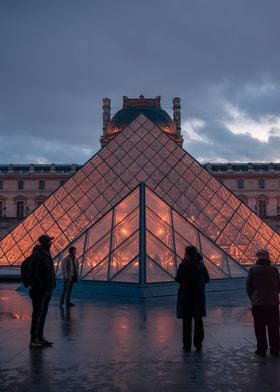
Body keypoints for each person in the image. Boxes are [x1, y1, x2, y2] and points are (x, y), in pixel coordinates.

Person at [175, 245, 210, 352]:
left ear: (187, 253)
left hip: (186, 296)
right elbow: (207, 279)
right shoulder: (201, 266)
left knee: (186, 323)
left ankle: (187, 345)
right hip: (198, 297)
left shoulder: (183, 265)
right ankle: (198, 343)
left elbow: (178, 279)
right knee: (198, 321)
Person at [246, 248, 280, 357]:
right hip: (272, 303)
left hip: (258, 304)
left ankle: (261, 349)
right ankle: (275, 349)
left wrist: (253, 298)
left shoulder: (252, 270)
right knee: (273, 328)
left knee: (259, 328)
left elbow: (249, 287)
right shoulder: (274, 270)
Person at [28, 234, 56, 348]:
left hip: (47, 289)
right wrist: (42, 287)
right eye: (49, 241)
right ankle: (33, 339)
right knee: (37, 315)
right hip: (39, 290)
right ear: (44, 242)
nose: (51, 243)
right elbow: (34, 273)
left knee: (42, 314)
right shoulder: (37, 255)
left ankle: (40, 337)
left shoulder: (46, 253)